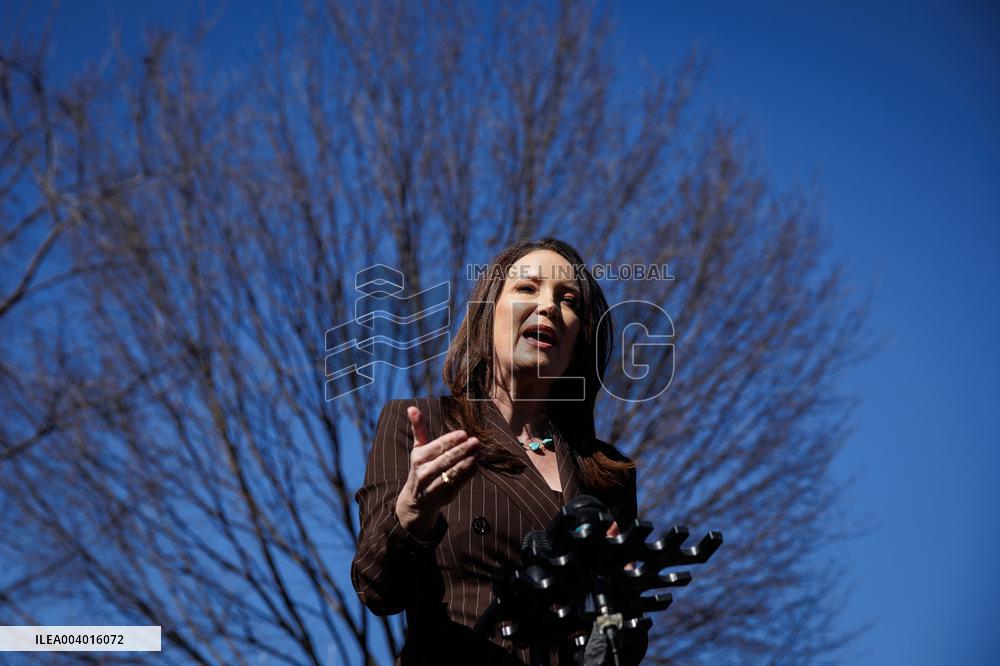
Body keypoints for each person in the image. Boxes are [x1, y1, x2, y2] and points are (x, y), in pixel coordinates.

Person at [351, 238, 648, 665]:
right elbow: (377, 587)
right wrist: (413, 511)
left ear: (578, 341)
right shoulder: (425, 425)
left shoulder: (608, 473)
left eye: (568, 301)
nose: (548, 306)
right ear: (488, 315)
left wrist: (619, 597)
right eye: (527, 288)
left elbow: (625, 645)